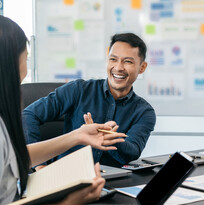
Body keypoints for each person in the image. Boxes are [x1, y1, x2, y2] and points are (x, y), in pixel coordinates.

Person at [0, 14, 127, 205]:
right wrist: (67, 203)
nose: (27, 66)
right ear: (6, 63)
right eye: (25, 57)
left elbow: (11, 159)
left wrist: (78, 135)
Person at [23, 33, 156, 167]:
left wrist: (109, 137)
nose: (118, 67)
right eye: (113, 59)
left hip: (110, 180)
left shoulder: (144, 112)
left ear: (142, 67)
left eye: (127, 61)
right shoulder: (78, 90)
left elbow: (133, 151)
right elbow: (28, 115)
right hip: (66, 175)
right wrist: (39, 164)